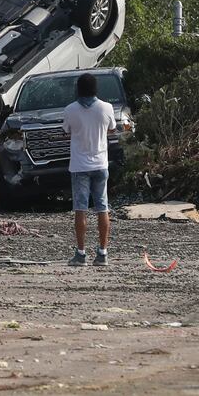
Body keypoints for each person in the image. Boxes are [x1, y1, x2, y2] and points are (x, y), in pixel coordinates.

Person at [62, 73, 116, 266]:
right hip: (100, 163)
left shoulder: (70, 109)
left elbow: (66, 131)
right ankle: (102, 253)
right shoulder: (106, 108)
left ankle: (81, 253)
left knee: (80, 209)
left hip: (79, 165)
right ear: (96, 89)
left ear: (78, 89)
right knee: (103, 207)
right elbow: (112, 128)